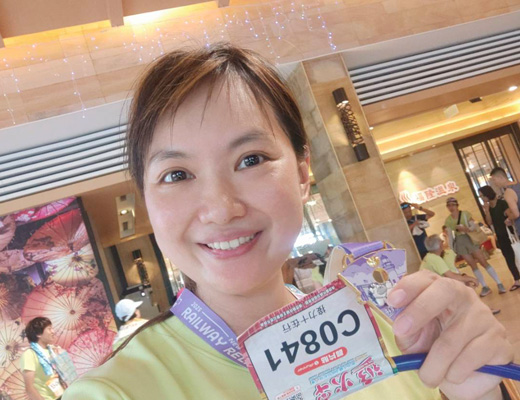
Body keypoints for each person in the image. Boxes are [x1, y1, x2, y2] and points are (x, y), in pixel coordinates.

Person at [63, 43, 513, 400]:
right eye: (177, 175)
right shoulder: (114, 393)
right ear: (147, 203)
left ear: (301, 175)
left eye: (251, 159)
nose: (221, 209)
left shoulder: (394, 329)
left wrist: (479, 390)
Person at [444, 197, 505, 297]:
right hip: (460, 242)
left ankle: (499, 283)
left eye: (453, 205)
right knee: (472, 265)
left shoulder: (465, 214)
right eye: (449, 206)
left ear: (457, 205)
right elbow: (450, 236)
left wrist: (466, 228)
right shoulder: (448, 220)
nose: (451, 207)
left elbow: (474, 226)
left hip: (470, 239)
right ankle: (485, 286)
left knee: (483, 261)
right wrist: (452, 249)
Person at [479, 185, 520, 291]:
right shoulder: (489, 208)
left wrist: (508, 219)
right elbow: (489, 222)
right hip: (500, 236)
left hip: (510, 235)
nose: (481, 198)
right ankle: (517, 280)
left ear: (487, 194)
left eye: (482, 195)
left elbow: (511, 214)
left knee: (516, 255)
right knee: (509, 258)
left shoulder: (501, 203)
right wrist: (487, 210)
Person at [21, 317, 64, 400]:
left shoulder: (52, 350)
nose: (53, 331)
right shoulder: (29, 354)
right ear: (38, 334)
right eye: (49, 329)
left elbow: (65, 374)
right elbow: (29, 388)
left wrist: (61, 356)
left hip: (63, 395)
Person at [489, 167, 520, 233]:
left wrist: (508, 219)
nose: (494, 183)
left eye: (494, 180)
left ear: (501, 177)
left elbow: (516, 214)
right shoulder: (518, 185)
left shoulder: (508, 192)